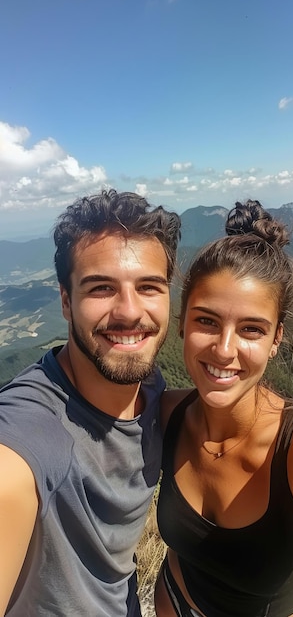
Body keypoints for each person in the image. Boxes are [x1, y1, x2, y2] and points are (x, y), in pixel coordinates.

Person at [154, 199, 293, 617]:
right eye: (206, 321)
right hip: (172, 600)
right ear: (182, 323)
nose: (224, 350)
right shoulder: (165, 414)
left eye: (250, 329)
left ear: (276, 339)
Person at [0, 189, 181, 617]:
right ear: (66, 300)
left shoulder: (151, 387)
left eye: (149, 287)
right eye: (102, 288)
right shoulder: (29, 431)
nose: (130, 312)